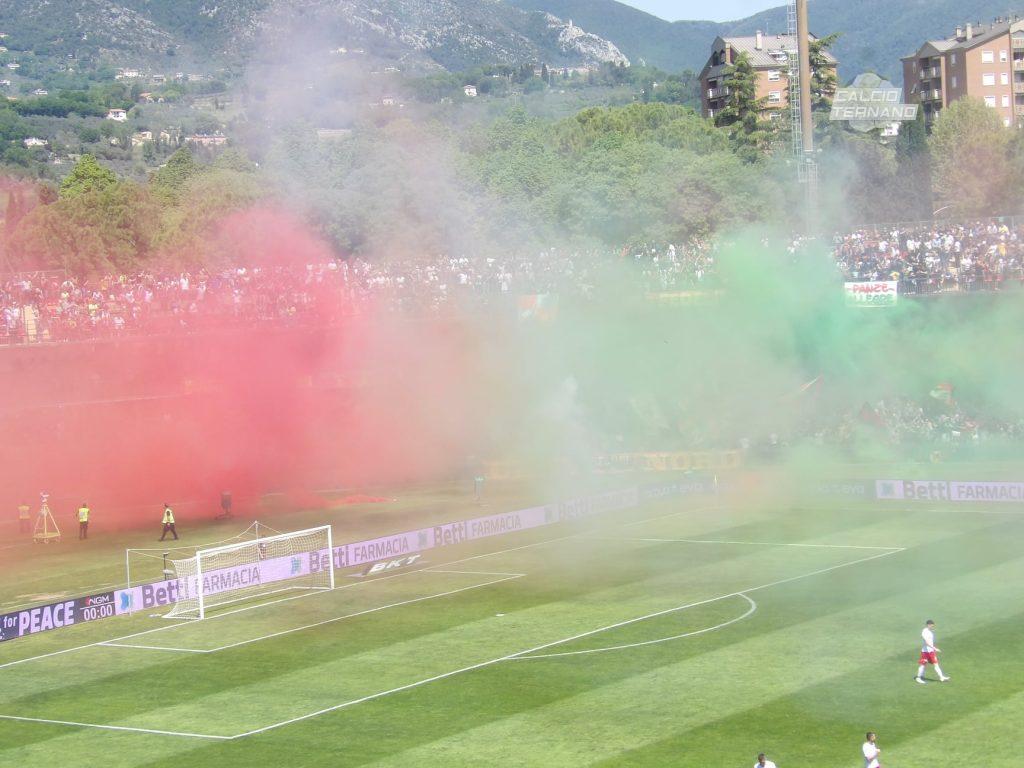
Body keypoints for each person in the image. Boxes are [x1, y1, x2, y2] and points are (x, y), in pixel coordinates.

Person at [916, 619, 950, 683]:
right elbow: (926, 642)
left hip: (931, 651)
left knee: (936, 664)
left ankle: (941, 677)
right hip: (925, 652)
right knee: (923, 665)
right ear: (928, 625)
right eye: (931, 626)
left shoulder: (930, 631)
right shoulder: (924, 632)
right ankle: (918, 678)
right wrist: (934, 648)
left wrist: (933, 649)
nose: (932, 627)